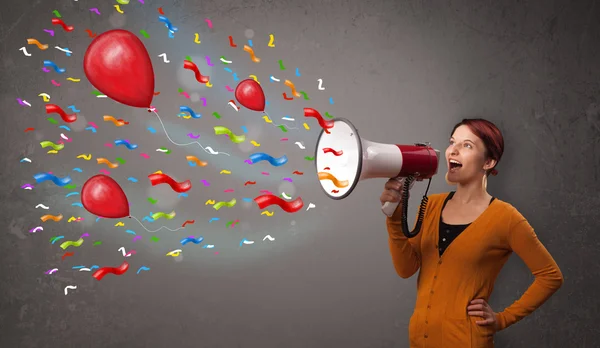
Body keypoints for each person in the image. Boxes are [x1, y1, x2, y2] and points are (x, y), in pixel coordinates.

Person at [380, 118, 563, 348]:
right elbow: (406, 269)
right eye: (452, 142)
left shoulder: (506, 218)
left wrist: (502, 319)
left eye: (467, 145)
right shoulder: (432, 206)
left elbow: (551, 276)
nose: (452, 150)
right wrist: (394, 217)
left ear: (489, 161)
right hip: (419, 340)